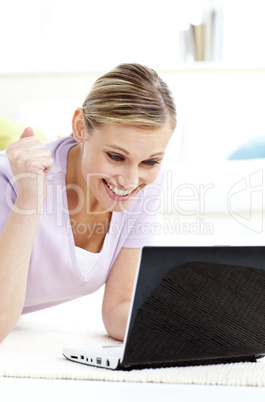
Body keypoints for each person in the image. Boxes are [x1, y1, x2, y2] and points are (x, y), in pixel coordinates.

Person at [0, 63, 177, 343]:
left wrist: (192, 329)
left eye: (150, 161)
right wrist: (30, 199)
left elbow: (120, 306)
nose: (131, 180)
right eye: (116, 157)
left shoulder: (146, 188)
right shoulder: (10, 181)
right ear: (80, 127)